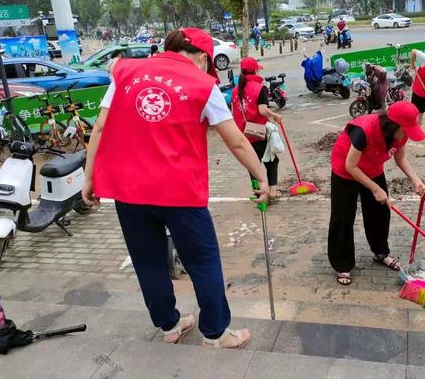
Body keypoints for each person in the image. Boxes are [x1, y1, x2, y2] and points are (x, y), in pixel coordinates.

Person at [82, 28, 269, 349]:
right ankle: (217, 333)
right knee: (203, 260)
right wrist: (261, 174)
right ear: (201, 56)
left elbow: (99, 126)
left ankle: (169, 325)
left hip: (129, 191)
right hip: (180, 194)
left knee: (148, 261)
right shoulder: (203, 85)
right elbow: (236, 140)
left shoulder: (126, 72)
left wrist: (89, 178)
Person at [328, 101, 425, 286]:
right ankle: (342, 263)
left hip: (373, 168)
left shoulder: (400, 135)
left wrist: (416, 180)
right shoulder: (363, 131)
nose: (407, 134)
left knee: (380, 212)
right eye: (406, 130)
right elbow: (351, 166)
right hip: (345, 170)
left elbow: (400, 157)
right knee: (343, 216)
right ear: (392, 125)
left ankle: (381, 252)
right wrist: (375, 188)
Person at [232, 57, 282, 200]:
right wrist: (275, 116)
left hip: (243, 133)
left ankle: (257, 193)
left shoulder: (236, 90)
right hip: (258, 131)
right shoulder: (261, 88)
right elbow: (262, 110)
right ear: (255, 70)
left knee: (252, 164)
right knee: (271, 160)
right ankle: (272, 192)